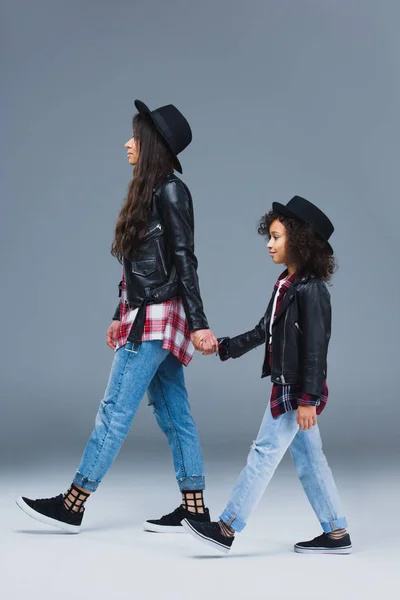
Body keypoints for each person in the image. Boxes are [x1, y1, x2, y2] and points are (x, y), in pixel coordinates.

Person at [16, 99, 218, 534]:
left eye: (134, 137)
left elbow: (185, 260)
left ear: (151, 146)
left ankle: (74, 502)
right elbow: (138, 267)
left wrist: (200, 323)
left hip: (155, 321)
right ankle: (196, 509)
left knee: (114, 410)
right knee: (173, 411)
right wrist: (117, 313)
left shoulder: (170, 190)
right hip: (148, 315)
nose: (127, 144)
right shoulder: (149, 191)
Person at [183, 196, 352, 554]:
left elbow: (316, 351)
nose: (269, 244)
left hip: (295, 391)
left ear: (300, 241)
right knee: (309, 459)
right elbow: (266, 329)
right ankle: (337, 533)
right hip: (288, 386)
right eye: (269, 236)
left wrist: (309, 400)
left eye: (276, 237)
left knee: (263, 452)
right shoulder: (285, 285)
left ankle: (227, 528)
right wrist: (225, 347)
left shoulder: (312, 290)